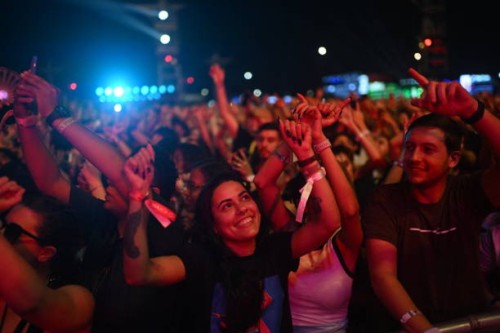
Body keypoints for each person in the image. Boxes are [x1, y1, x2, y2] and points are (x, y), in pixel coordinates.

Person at [122, 116, 342, 332]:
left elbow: (329, 222)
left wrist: (306, 156)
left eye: (244, 197)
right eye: (227, 206)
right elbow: (139, 274)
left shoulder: (274, 250)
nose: (242, 208)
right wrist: (136, 197)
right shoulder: (201, 260)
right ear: (213, 225)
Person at [13, 71, 185, 333]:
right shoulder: (104, 219)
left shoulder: (165, 229)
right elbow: (50, 181)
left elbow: (124, 179)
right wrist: (25, 122)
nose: (109, 184)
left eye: (125, 177)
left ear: (155, 193)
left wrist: (57, 116)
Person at [363, 68, 500, 332]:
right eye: (410, 147)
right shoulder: (386, 200)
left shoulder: (469, 191)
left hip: (469, 321)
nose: (414, 158)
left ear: (453, 159)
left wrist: (473, 110)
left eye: (428, 150)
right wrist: (424, 329)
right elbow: (383, 277)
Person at [254, 96, 363, 332]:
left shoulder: (346, 243)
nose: (317, 198)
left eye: (324, 192)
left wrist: (319, 140)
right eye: (309, 192)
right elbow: (262, 183)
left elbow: (350, 211)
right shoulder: (290, 235)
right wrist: (297, 133)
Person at [0, 176, 94, 333]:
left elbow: (32, 304)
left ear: (46, 253)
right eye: (3, 224)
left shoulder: (79, 301)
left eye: (13, 232)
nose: (2, 234)